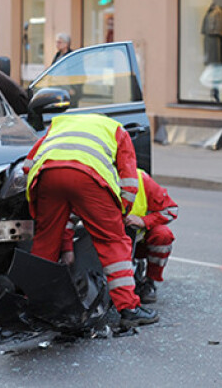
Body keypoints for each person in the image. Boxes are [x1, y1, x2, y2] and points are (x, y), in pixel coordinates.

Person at [23, 113, 159, 329]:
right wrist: (121, 212)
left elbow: (28, 165)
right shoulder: (117, 130)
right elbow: (130, 180)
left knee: (45, 242)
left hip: (47, 174)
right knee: (113, 242)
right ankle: (129, 309)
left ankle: (34, 307)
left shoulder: (60, 125)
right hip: (89, 177)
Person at [125, 169, 177, 304]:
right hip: (110, 241)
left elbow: (171, 210)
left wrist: (144, 221)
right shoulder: (96, 176)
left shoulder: (141, 179)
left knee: (162, 235)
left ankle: (149, 281)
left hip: (138, 242)